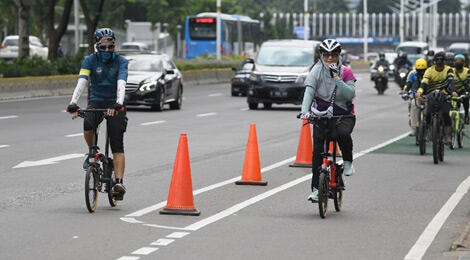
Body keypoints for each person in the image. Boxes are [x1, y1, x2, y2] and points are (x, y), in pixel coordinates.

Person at [66, 28, 129, 199]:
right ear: (96, 47)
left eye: (110, 47)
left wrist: (118, 103)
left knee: (117, 143)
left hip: (115, 101)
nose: (107, 50)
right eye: (103, 47)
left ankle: (119, 183)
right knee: (88, 125)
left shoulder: (121, 61)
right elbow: (82, 82)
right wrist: (73, 103)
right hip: (97, 100)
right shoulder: (89, 60)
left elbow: (121, 82)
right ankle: (92, 152)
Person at [299, 39, 356, 202]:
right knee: (317, 154)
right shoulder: (316, 71)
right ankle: (316, 190)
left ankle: (347, 162)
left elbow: (350, 95)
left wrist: (337, 78)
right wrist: (305, 111)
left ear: (338, 56)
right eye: (326, 55)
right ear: (321, 56)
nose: (329, 58)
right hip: (321, 115)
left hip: (343, 115)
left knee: (343, 134)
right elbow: (309, 92)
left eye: (333, 55)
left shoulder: (346, 72)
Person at [415, 51, 458, 145]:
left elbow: (451, 81)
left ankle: (447, 136)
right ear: (434, 61)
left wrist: (454, 91)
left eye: (441, 60)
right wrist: (419, 92)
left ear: (444, 61)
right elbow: (424, 82)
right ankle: (427, 133)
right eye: (437, 60)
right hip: (431, 96)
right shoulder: (429, 70)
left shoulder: (449, 69)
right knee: (428, 114)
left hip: (445, 96)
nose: (439, 62)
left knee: (446, 114)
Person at [401, 58, 428, 135]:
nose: (421, 72)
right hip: (416, 97)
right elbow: (408, 84)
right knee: (413, 104)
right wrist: (405, 92)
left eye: (423, 70)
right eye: (419, 70)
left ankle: (432, 126)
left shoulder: (429, 73)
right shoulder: (412, 74)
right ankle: (414, 127)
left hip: (428, 96)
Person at [453, 54, 470, 124]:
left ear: (464, 63)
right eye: (457, 61)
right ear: (454, 63)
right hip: (453, 91)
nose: (458, 63)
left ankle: (466, 115)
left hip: (463, 91)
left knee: (466, 100)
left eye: (460, 61)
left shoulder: (467, 71)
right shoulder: (451, 71)